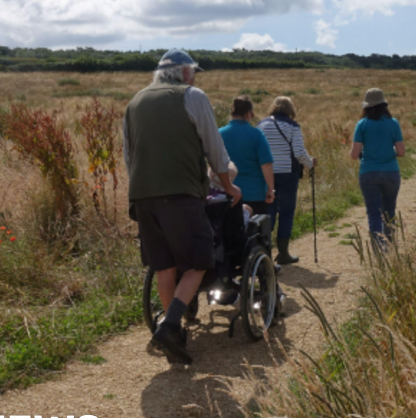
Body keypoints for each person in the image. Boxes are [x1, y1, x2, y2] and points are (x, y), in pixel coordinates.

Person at [123, 49, 240, 365]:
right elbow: (214, 149)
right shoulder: (193, 96)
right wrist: (229, 187)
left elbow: (129, 157)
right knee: (198, 263)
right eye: (194, 72)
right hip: (181, 194)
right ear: (186, 73)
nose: (195, 77)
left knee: (164, 266)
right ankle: (170, 324)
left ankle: (171, 335)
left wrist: (141, 190)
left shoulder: (134, 102)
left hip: (143, 196)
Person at [258, 96, 315, 265]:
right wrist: (310, 163)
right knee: (287, 211)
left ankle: (264, 251)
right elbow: (298, 152)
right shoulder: (293, 126)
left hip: (266, 172)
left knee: (269, 210)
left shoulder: (261, 125)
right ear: (290, 110)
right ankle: (283, 253)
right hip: (288, 173)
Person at [349, 88, 405, 251]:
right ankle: (389, 244)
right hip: (391, 171)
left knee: (374, 212)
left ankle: (377, 248)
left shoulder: (362, 124)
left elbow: (354, 155)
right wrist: (389, 152)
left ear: (366, 106)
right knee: (389, 210)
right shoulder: (393, 122)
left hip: (368, 172)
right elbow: (401, 152)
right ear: (384, 105)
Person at [219, 95, 275, 215]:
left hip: (227, 192)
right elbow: (266, 165)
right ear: (249, 114)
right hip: (255, 194)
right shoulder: (257, 135)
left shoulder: (219, 134)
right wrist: (270, 189)